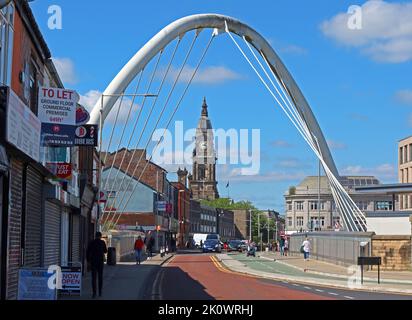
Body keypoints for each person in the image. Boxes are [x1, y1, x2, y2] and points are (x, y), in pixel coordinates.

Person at [86, 232, 108, 298]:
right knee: (100, 277)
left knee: (94, 278)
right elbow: (105, 251)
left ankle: (94, 293)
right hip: (100, 262)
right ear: (100, 236)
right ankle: (100, 292)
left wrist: (88, 261)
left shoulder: (91, 242)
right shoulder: (102, 242)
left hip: (93, 261)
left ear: (95, 236)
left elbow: (87, 251)